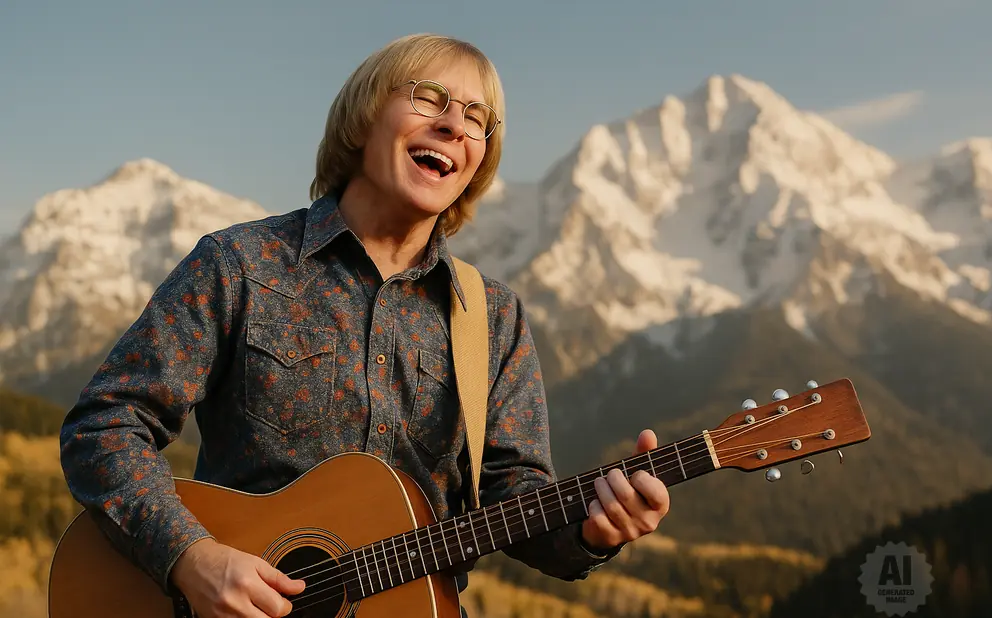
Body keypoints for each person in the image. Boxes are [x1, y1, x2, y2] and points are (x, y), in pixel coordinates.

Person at [59, 33, 671, 618]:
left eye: (478, 119)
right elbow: (104, 426)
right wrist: (189, 556)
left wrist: (592, 531)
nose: (455, 125)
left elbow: (514, 506)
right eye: (429, 97)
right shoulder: (240, 264)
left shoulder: (495, 318)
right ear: (363, 116)